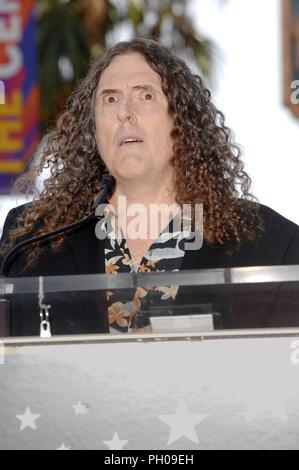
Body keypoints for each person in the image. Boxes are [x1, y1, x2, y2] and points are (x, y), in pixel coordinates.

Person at [0, 37, 299, 336]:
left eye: (145, 96)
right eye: (110, 98)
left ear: (181, 119)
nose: (124, 112)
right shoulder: (32, 241)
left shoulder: (268, 244)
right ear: (93, 127)